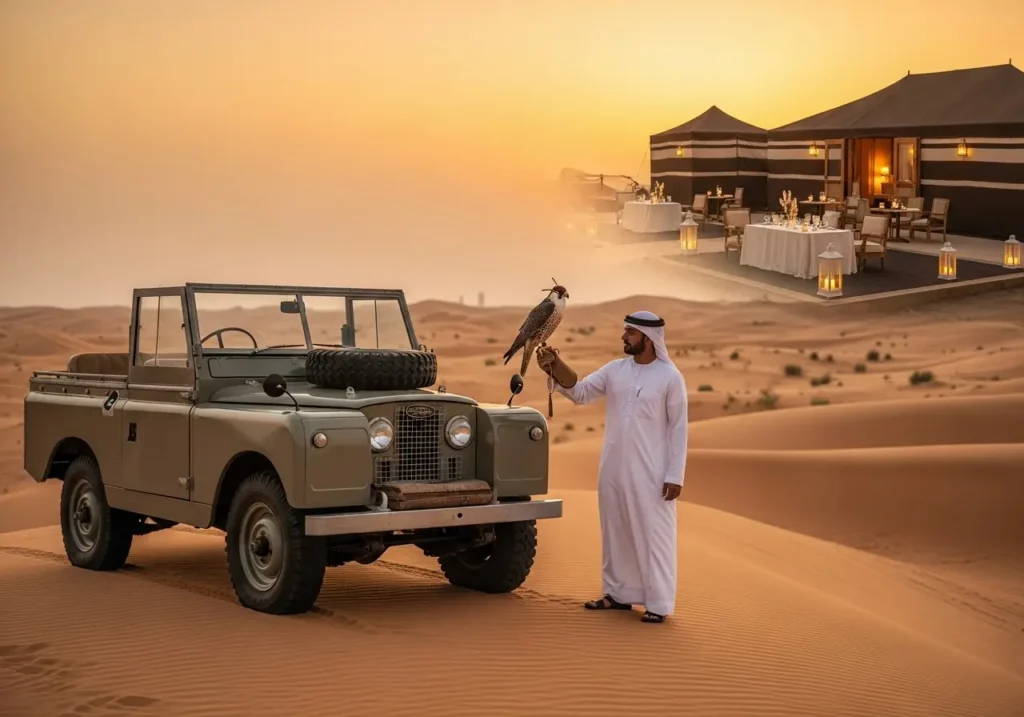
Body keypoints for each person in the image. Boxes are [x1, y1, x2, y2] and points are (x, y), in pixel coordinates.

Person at [536, 310, 688, 624]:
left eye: (630, 333)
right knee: (615, 532)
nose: (623, 338)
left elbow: (679, 430)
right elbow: (580, 393)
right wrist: (555, 367)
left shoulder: (671, 378)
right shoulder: (615, 370)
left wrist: (675, 475)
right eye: (625, 332)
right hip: (613, 469)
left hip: (652, 473)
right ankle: (617, 595)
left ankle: (658, 603)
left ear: (648, 339)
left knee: (653, 535)